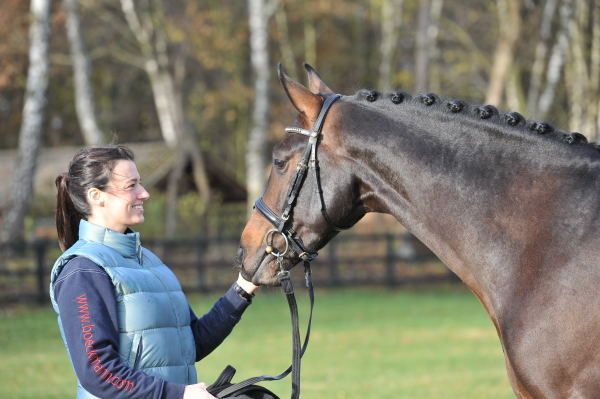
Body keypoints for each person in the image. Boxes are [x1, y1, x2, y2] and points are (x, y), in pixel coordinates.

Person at [49, 145, 258, 399]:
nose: (144, 193)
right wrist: (178, 394)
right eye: (131, 186)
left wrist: (244, 287)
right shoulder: (82, 271)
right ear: (96, 196)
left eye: (141, 184)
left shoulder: (150, 262)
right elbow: (97, 371)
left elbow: (190, 344)